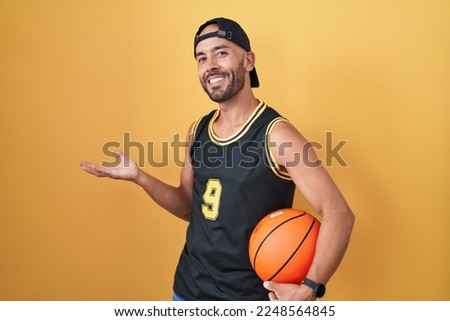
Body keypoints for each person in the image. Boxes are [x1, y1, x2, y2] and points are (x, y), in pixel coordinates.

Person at [79, 17, 355, 301]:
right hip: (188, 292)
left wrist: (311, 287)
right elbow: (188, 207)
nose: (209, 65)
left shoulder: (277, 135)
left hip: (249, 299)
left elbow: (340, 215)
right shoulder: (198, 130)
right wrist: (139, 177)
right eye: (201, 58)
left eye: (221, 53)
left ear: (248, 61)